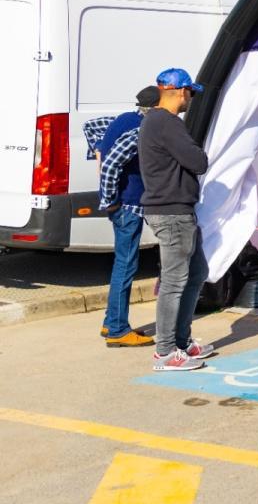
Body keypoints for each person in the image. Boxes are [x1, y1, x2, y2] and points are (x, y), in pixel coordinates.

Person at [140, 68, 215, 371]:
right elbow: (198, 161)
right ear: (180, 91)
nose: (191, 99)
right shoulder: (167, 123)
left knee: (197, 272)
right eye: (191, 93)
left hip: (175, 210)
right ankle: (165, 351)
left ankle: (181, 341)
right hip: (172, 212)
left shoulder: (155, 121)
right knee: (174, 281)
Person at [95, 86, 161, 347]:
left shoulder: (124, 118)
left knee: (122, 264)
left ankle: (111, 320)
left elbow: (93, 130)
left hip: (122, 205)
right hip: (127, 206)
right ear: (155, 107)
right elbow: (111, 165)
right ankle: (118, 330)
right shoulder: (139, 130)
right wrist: (109, 200)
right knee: (126, 266)